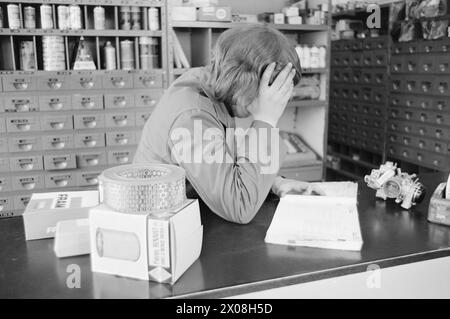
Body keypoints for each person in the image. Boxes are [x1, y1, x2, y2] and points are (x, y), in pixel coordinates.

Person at [134, 24, 323, 224]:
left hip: (192, 213)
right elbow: (239, 206)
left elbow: (224, 163)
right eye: (271, 94)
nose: (275, 103)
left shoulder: (212, 83)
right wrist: (266, 120)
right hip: (160, 226)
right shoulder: (192, 117)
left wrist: (275, 183)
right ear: (244, 82)